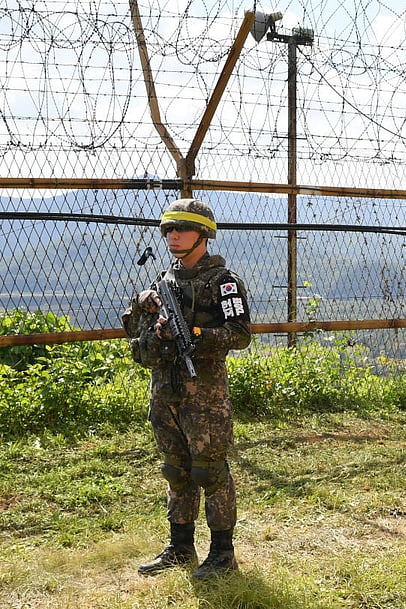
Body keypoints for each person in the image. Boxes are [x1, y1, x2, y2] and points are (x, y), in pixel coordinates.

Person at [122, 197, 252, 580]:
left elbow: (241, 334)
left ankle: (222, 554)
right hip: (165, 389)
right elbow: (133, 325)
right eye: (168, 230)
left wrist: (196, 334)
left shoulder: (223, 283)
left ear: (204, 235)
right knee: (175, 469)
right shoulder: (163, 280)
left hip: (204, 393)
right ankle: (180, 546)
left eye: (182, 229)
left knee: (208, 471)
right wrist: (143, 303)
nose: (173, 236)